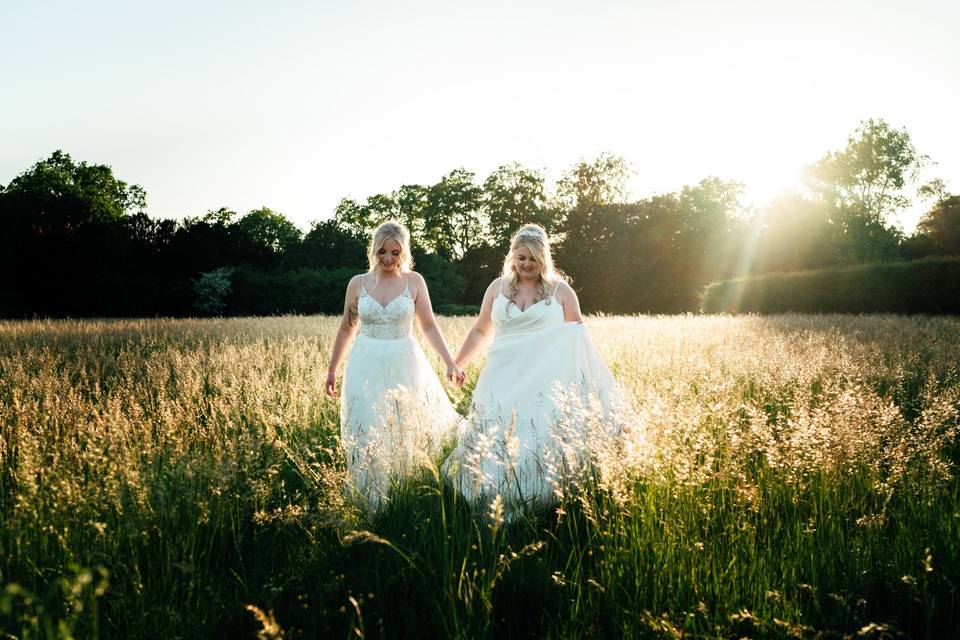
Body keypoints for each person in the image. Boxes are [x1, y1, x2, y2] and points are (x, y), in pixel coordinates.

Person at [445, 223, 626, 506]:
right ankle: (489, 496)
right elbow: (481, 330)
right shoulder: (497, 288)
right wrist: (456, 363)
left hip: (543, 379)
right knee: (494, 435)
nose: (526, 264)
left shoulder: (561, 292)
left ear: (543, 259)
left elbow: (577, 340)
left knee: (535, 435)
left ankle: (536, 499)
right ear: (512, 257)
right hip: (501, 376)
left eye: (533, 258)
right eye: (521, 257)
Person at [326, 220, 465, 509]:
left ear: (405, 252)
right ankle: (369, 502)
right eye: (382, 252)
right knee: (366, 428)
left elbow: (428, 325)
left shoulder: (414, 282)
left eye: (395, 252)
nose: (388, 259)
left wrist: (450, 361)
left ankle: (403, 496)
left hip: (404, 363)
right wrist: (332, 369)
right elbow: (346, 328)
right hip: (364, 364)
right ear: (373, 251)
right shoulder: (357, 284)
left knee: (402, 428)